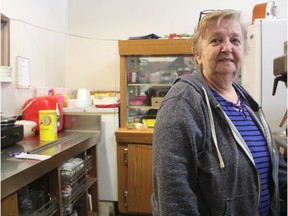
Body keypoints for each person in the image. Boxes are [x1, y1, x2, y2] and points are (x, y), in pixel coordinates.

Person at [151, 10, 287, 216]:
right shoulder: (183, 102)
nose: (227, 48)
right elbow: (173, 196)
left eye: (235, 40)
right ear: (197, 54)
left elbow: (276, 167)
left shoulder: (246, 99)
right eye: (216, 40)